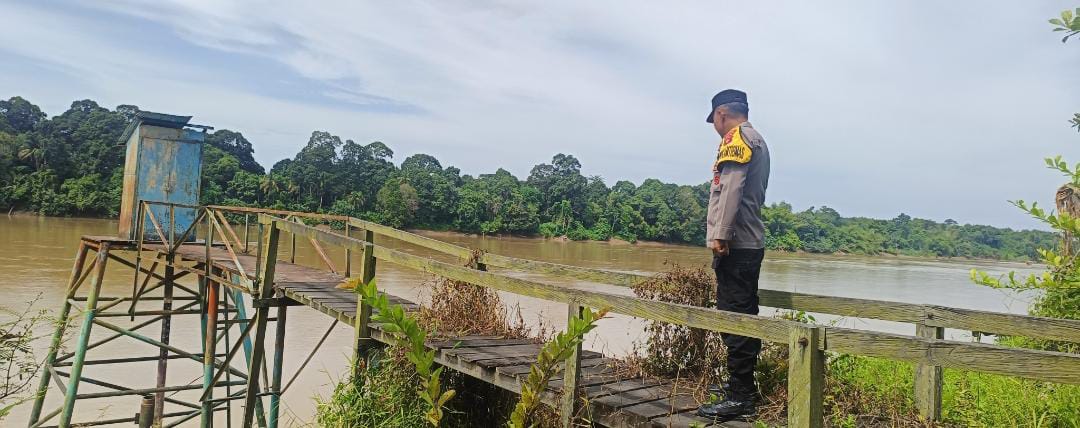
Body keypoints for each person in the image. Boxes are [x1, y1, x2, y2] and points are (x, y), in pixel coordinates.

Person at [696, 89, 771, 421]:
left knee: (734, 318)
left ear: (722, 114)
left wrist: (720, 235)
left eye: (714, 120)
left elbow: (731, 189)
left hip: (737, 245)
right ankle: (741, 387)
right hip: (748, 243)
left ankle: (740, 397)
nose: (715, 126)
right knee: (743, 315)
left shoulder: (737, 138)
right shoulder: (757, 138)